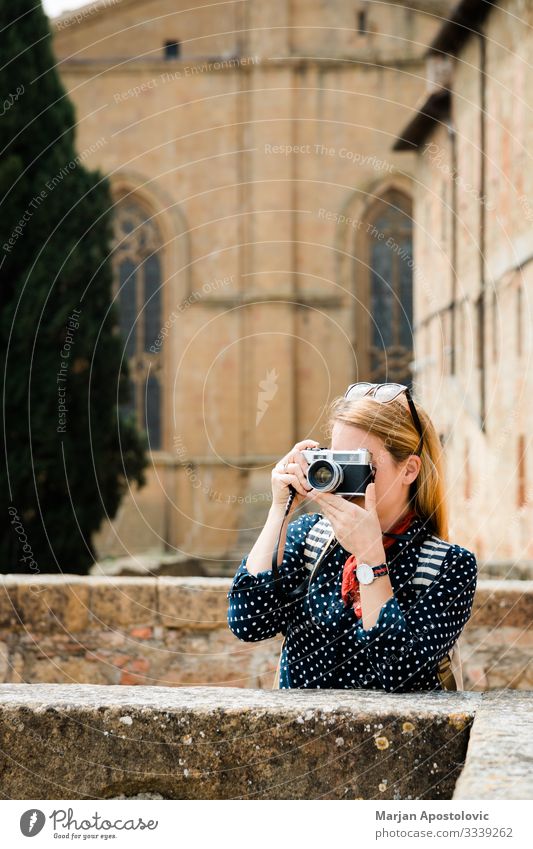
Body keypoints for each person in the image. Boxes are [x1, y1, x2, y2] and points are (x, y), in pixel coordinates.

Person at [226, 383, 478, 691]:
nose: (343, 477)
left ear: (409, 470)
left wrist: (372, 561)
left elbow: (400, 674)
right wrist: (280, 508)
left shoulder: (447, 566)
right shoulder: (308, 539)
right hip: (300, 737)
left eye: (361, 463)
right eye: (336, 461)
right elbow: (248, 622)